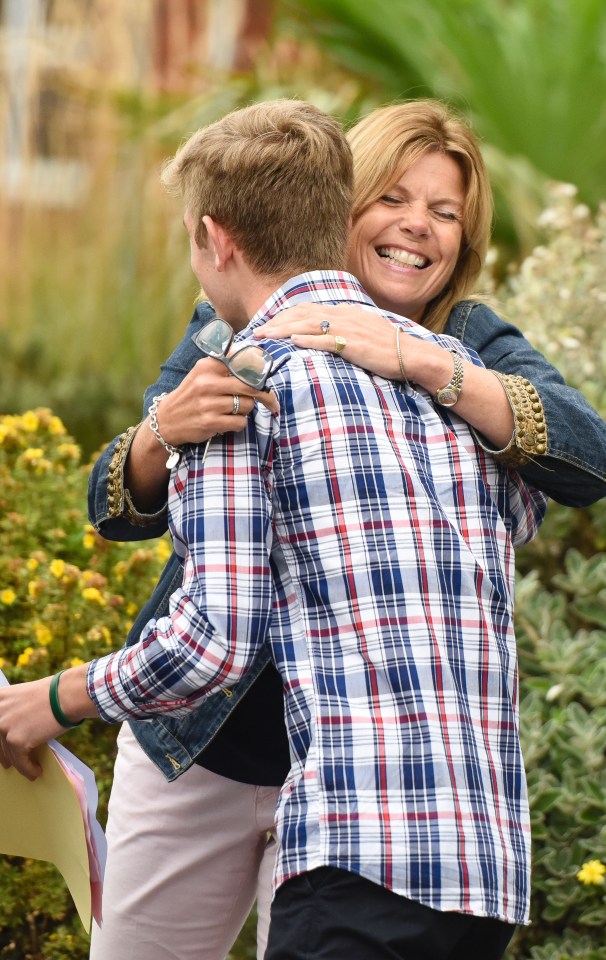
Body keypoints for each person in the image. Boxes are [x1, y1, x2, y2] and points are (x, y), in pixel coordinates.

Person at [0, 96, 550, 959]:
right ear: (338, 212)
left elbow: (215, 638)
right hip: (476, 863)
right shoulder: (465, 391)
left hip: (350, 840)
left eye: (443, 212)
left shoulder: (246, 383)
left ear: (216, 239)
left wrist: (56, 699)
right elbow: (523, 510)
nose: (417, 227)